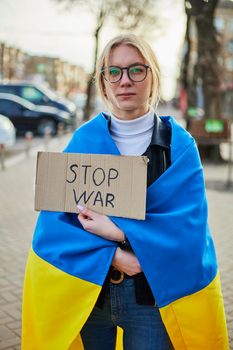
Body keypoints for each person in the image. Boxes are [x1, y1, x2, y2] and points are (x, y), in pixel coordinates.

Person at [22, 34, 229, 350]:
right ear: (103, 82)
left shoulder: (180, 146)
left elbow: (188, 231)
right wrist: (118, 255)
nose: (124, 81)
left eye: (136, 70)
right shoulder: (83, 141)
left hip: (150, 299)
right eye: (114, 71)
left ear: (152, 76)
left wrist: (119, 232)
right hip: (92, 297)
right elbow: (56, 228)